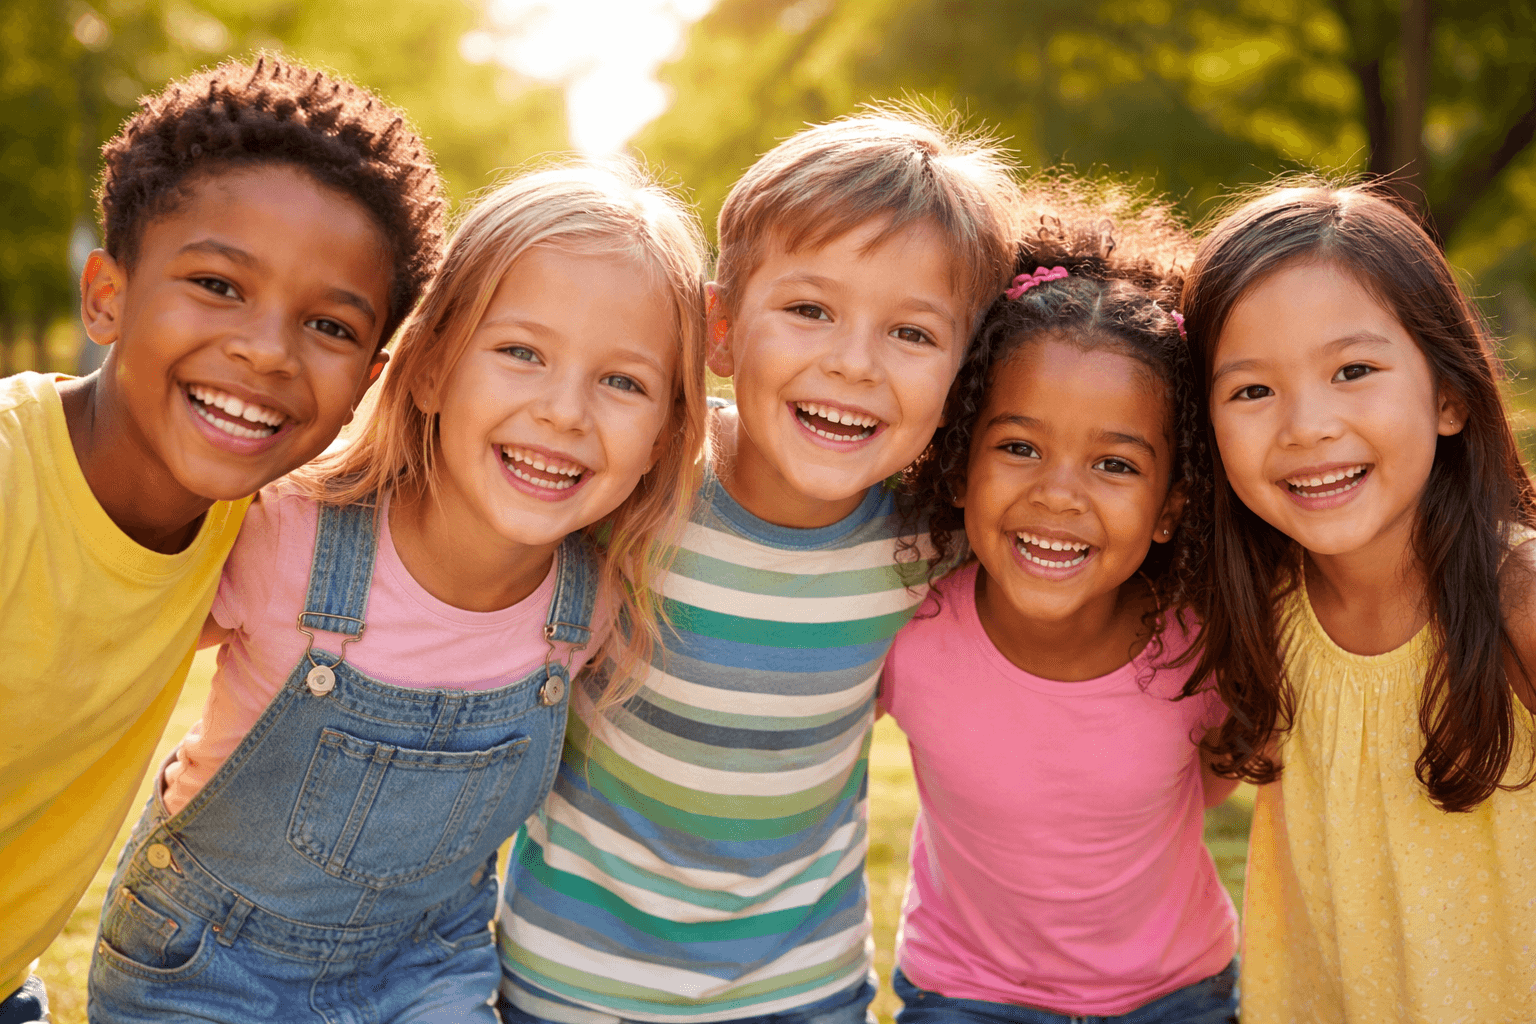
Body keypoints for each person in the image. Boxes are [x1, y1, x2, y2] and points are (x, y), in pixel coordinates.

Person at [85, 161, 709, 1023]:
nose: (566, 412)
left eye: (623, 382)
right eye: (522, 353)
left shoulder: (593, 606)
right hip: (204, 965)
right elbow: (109, 651)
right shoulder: (288, 537)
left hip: (428, 965)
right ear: (426, 371)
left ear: (666, 434)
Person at [496, 109, 1020, 1024]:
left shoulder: (936, 540)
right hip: (574, 982)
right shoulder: (632, 493)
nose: (854, 363)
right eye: (810, 310)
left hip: (800, 989)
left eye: (913, 333)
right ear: (723, 328)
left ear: (963, 372)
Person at [0, 56, 446, 1023]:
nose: (268, 351)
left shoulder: (269, 516)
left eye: (328, 324)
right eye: (216, 284)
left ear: (369, 377)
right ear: (106, 297)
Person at [882, 187, 1239, 1024]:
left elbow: (1209, 786)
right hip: (965, 996)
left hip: (1177, 997)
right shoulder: (910, 627)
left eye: (1114, 465)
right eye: (1018, 447)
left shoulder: (1203, 645)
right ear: (960, 463)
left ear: (1170, 510)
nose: (1059, 495)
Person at [1182, 181, 1536, 1023]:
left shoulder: (1518, 597)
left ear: (1449, 396)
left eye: (1353, 371)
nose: (1306, 425)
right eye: (1252, 391)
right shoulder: (1262, 610)